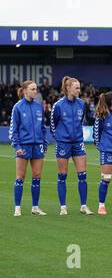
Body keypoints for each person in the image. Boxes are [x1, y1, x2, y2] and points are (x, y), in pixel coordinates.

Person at [51, 76, 93, 215]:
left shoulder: (82, 104)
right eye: (77, 88)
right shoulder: (58, 105)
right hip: (63, 143)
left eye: (79, 88)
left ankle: (83, 206)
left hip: (78, 143)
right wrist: (60, 137)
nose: (79, 90)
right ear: (68, 89)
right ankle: (63, 207)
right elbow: (53, 124)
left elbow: (81, 120)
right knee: (62, 176)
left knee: (82, 175)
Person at [9, 80, 48, 216]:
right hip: (23, 146)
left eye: (36, 89)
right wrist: (17, 146)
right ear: (25, 91)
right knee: (20, 176)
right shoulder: (18, 107)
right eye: (32, 89)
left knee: (37, 176)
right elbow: (13, 130)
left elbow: (43, 128)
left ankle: (35, 207)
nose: (35, 91)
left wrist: (44, 142)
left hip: (37, 146)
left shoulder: (39, 107)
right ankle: (17, 208)